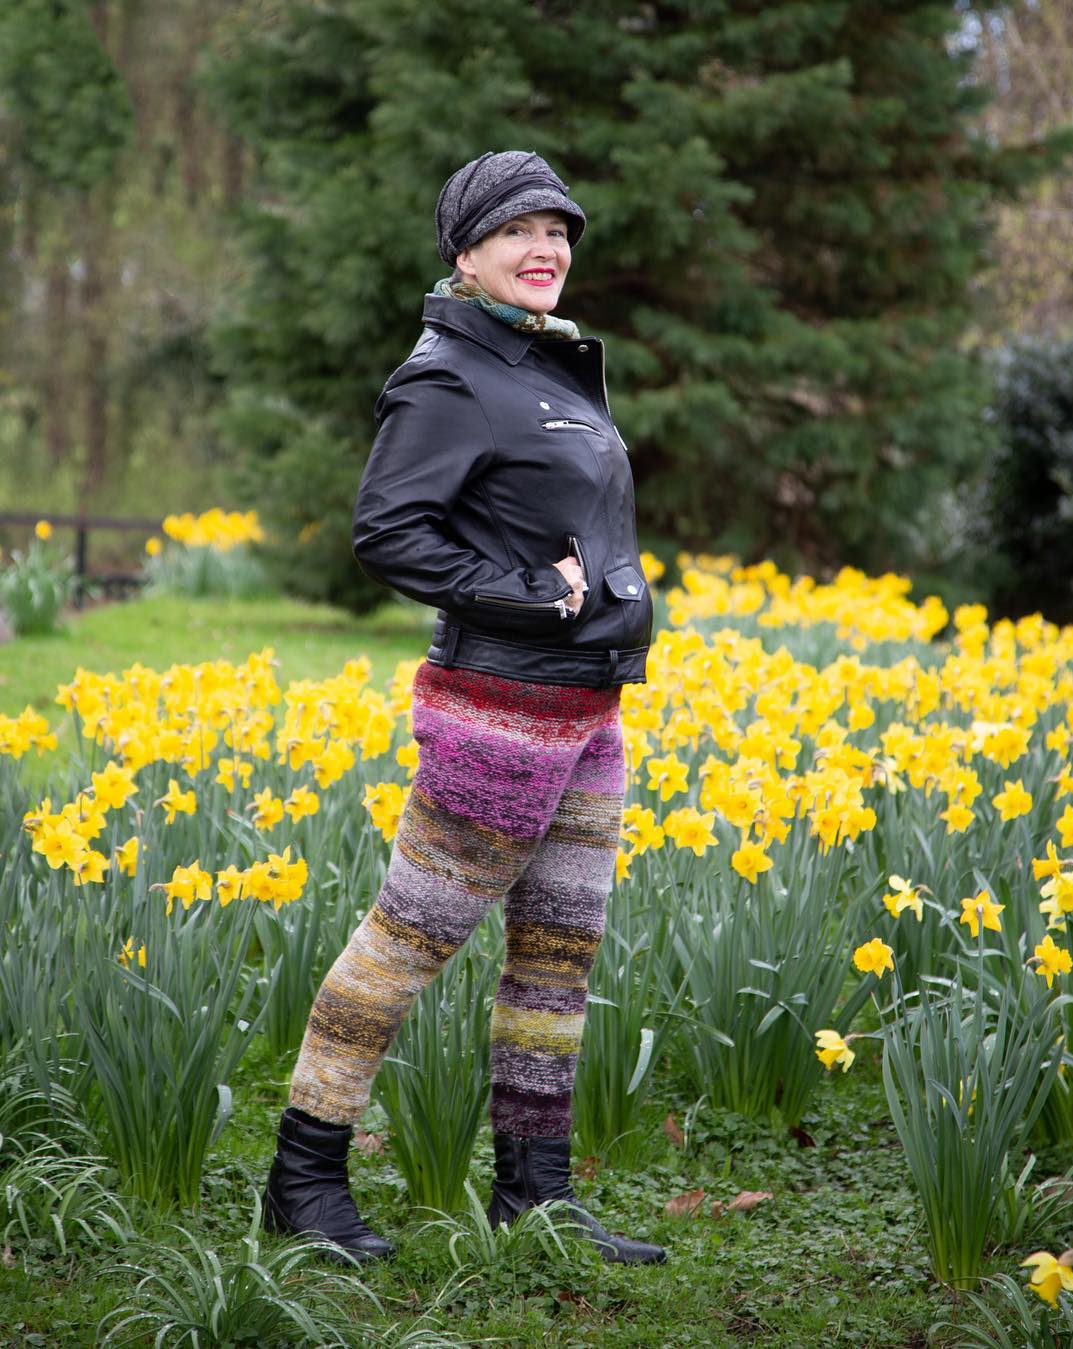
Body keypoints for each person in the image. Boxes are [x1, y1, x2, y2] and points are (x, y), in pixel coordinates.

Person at [262, 149, 664, 1267]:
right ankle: (301, 1183)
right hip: (498, 708)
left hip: (585, 710)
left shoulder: (550, 366)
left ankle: (533, 1198)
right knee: (405, 944)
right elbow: (389, 529)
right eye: (518, 233)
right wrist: (532, 595)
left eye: (559, 230)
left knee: (556, 960)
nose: (547, 249)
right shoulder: (449, 371)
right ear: (467, 254)